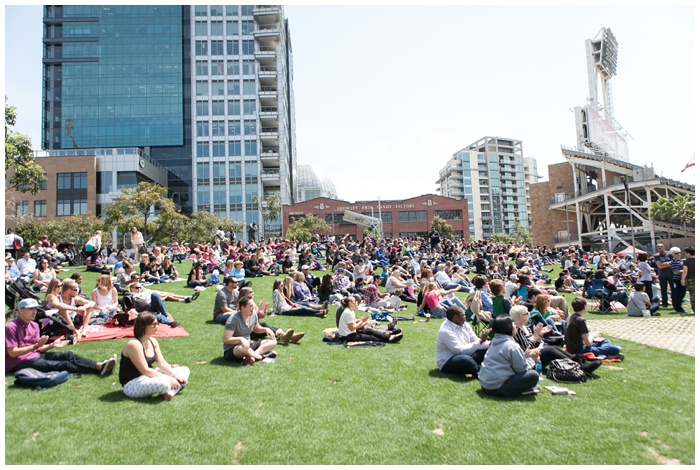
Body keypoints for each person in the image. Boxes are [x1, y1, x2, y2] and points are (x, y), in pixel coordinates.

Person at [6, 298, 117, 376]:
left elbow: (37, 348)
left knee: (68, 354)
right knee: (64, 364)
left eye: (35, 309)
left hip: (35, 355)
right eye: (31, 309)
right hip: (18, 363)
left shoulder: (34, 325)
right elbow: (12, 353)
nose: (34, 312)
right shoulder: (10, 327)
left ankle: (99, 365)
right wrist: (35, 346)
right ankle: (98, 370)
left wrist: (51, 345)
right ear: (20, 311)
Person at [510, 305, 601, 374]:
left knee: (555, 348)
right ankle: (579, 367)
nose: (529, 315)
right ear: (522, 317)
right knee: (551, 350)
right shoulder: (517, 330)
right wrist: (536, 335)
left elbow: (535, 344)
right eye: (527, 313)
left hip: (534, 353)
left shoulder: (526, 327)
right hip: (527, 357)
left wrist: (540, 335)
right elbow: (528, 348)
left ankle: (578, 361)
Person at [119, 312, 190, 401]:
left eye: (157, 324)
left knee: (184, 370)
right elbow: (145, 370)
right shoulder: (134, 344)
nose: (157, 326)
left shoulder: (153, 341)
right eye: (154, 324)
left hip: (148, 377)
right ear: (143, 326)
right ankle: (172, 388)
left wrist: (174, 375)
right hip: (133, 383)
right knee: (165, 383)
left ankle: (170, 393)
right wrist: (169, 378)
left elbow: (162, 363)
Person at [478, 315, 541, 397]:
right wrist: (532, 359)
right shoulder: (512, 346)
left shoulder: (494, 342)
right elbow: (521, 369)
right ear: (508, 328)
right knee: (533, 375)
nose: (516, 327)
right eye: (514, 325)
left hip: (485, 385)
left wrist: (525, 355)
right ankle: (520, 391)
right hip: (498, 387)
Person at [436, 305, 491, 376]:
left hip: (467, 354)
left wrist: (491, 344)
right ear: (455, 317)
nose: (465, 316)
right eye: (463, 315)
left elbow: (475, 341)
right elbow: (459, 351)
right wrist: (480, 342)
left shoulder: (465, 325)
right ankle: (483, 372)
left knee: (486, 350)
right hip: (448, 362)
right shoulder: (446, 331)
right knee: (465, 360)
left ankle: (480, 368)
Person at [222, 295, 278, 365]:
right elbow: (226, 339)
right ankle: (261, 357)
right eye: (251, 306)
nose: (253, 307)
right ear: (243, 308)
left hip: (249, 344)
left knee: (273, 341)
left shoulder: (253, 315)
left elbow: (256, 328)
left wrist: (265, 329)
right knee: (242, 349)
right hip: (234, 348)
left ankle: (253, 356)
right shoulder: (233, 320)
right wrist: (240, 339)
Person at [337, 294, 403, 343]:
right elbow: (352, 328)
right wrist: (363, 321)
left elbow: (353, 322)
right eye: (355, 300)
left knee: (370, 330)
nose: (356, 302)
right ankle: (390, 338)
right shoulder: (348, 313)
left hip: (351, 332)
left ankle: (390, 334)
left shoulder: (350, 311)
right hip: (347, 336)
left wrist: (363, 321)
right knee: (372, 337)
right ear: (350, 303)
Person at [653, 243, 673, 308]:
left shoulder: (669, 254)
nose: (659, 250)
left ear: (663, 247)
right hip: (662, 275)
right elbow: (659, 266)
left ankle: (675, 303)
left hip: (670, 274)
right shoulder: (657, 256)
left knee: (673, 289)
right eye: (658, 248)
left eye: (660, 248)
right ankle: (665, 304)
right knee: (663, 289)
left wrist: (663, 264)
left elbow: (672, 263)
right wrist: (667, 263)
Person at [669, 247, 687, 313]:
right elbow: (676, 272)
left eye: (679, 253)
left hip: (682, 279)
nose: (679, 254)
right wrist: (685, 271)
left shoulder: (681, 261)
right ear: (673, 254)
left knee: (682, 293)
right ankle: (678, 307)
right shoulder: (674, 262)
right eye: (676, 253)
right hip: (677, 279)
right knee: (679, 294)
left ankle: (678, 307)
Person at [681, 247, 695, 314]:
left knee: (693, 295)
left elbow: (685, 271)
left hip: (691, 279)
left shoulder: (686, 261)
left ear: (688, 253)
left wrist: (682, 279)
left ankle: (695, 310)